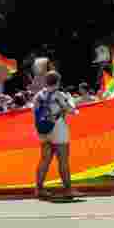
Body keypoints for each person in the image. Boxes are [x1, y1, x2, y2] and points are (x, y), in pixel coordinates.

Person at [34, 71, 78, 200]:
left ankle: (39, 189)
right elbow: (72, 111)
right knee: (63, 160)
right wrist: (71, 100)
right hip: (58, 128)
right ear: (58, 82)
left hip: (43, 130)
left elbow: (35, 111)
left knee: (44, 160)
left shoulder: (39, 95)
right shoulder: (59, 95)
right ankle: (68, 189)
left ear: (45, 82)